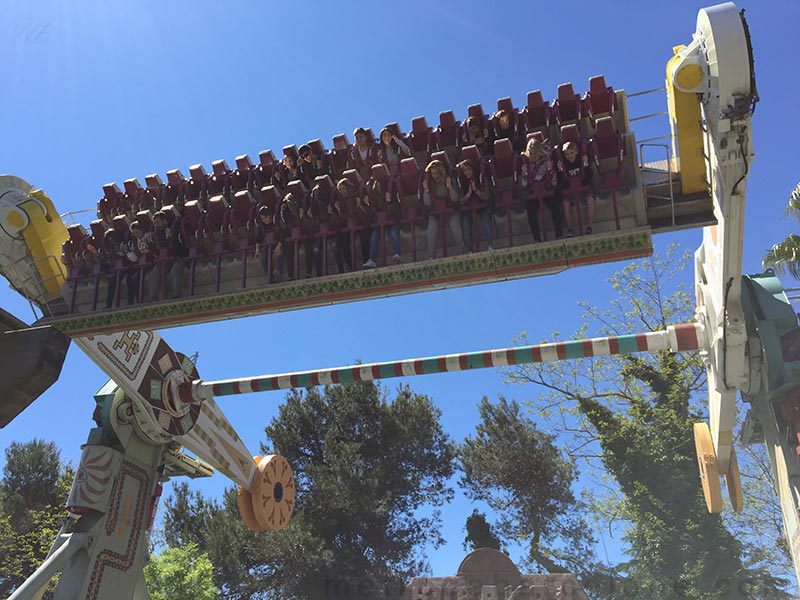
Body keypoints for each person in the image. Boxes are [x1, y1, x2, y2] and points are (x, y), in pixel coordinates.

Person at [520, 138, 563, 241]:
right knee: (530, 209)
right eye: (530, 153)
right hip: (534, 193)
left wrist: (550, 170)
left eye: (535, 153)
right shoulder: (527, 165)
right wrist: (525, 175)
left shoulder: (547, 162)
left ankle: (559, 234)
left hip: (547, 190)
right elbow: (526, 186)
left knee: (555, 207)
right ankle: (537, 238)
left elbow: (553, 182)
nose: (533, 156)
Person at [422, 159, 462, 259]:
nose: (436, 176)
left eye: (438, 173)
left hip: (451, 210)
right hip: (435, 212)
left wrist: (449, 186)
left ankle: (462, 251)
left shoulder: (450, 180)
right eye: (433, 174)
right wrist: (426, 190)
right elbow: (427, 203)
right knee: (431, 229)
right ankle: (432, 256)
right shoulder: (429, 184)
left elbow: (455, 198)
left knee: (455, 225)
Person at [557, 141, 596, 236]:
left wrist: (586, 164)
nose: (569, 156)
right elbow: (561, 181)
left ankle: (589, 226)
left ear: (576, 152)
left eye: (571, 153)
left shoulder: (581, 161)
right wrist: (560, 170)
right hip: (570, 190)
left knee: (590, 199)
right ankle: (570, 228)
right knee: (565, 204)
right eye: (567, 154)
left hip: (584, 188)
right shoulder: (564, 165)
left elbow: (589, 175)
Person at [456, 159, 493, 252]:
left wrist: (476, 190)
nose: (467, 172)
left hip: (482, 204)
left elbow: (486, 197)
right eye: (464, 171)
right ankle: (469, 250)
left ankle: (490, 245)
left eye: (468, 169)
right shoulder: (461, 183)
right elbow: (460, 201)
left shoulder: (481, 179)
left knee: (486, 219)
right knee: (466, 224)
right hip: (468, 207)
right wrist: (468, 194)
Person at [150, 210, 187, 300]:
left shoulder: (175, 229)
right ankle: (153, 297)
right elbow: (156, 251)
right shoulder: (156, 234)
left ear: (164, 221)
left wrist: (171, 237)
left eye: (158, 222)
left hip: (179, 258)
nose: (156, 225)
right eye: (155, 223)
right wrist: (150, 242)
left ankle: (178, 294)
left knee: (175, 270)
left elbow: (181, 247)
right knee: (155, 272)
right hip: (165, 260)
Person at [254, 205, 282, 282]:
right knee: (263, 258)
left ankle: (278, 270)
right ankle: (271, 276)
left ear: (270, 215)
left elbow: (282, 235)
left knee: (281, 252)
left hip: (278, 243)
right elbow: (258, 239)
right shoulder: (262, 227)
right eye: (262, 219)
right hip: (268, 245)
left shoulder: (275, 223)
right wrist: (257, 250)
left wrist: (278, 246)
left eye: (266, 218)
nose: (264, 220)